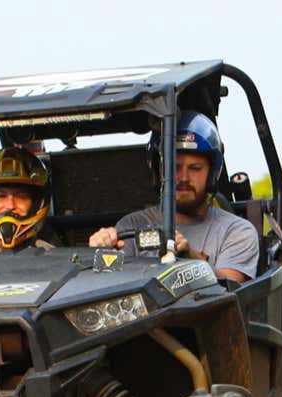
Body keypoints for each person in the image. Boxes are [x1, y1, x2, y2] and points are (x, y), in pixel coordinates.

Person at [88, 112, 258, 282]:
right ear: (158, 172)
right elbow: (109, 284)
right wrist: (101, 251)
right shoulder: (130, 227)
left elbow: (231, 288)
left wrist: (190, 258)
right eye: (174, 167)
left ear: (212, 174)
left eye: (195, 168)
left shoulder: (237, 231)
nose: (183, 178)